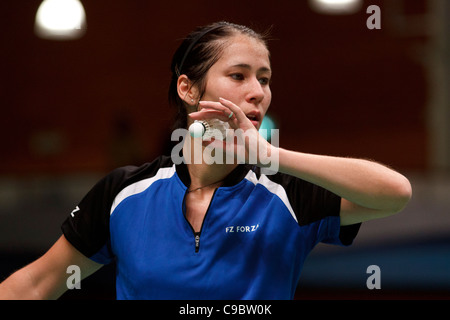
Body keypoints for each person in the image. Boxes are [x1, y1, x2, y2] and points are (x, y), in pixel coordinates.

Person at [0, 21, 412, 300]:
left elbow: (394, 194)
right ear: (188, 89)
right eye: (239, 75)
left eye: (264, 79)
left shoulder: (287, 192)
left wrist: (272, 156)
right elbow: (36, 284)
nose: (258, 92)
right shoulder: (125, 193)